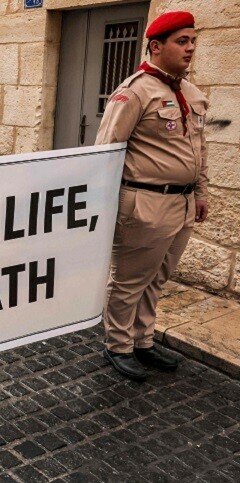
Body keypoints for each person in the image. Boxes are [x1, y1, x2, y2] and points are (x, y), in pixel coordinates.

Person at [96, 11, 208, 381]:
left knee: (158, 277)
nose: (191, 47)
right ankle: (118, 345)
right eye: (182, 41)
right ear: (156, 46)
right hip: (144, 202)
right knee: (129, 280)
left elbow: (199, 148)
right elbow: (107, 151)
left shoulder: (191, 93)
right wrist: (103, 205)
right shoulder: (135, 91)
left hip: (183, 202)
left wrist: (201, 192)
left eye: (193, 40)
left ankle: (143, 339)